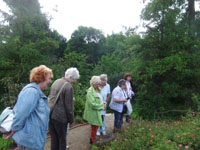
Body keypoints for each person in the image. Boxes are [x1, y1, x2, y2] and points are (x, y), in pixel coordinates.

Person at [3, 65, 53, 150]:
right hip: (29, 140)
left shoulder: (35, 91)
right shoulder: (32, 92)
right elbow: (21, 114)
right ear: (42, 78)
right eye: (49, 78)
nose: (50, 81)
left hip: (31, 139)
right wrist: (13, 129)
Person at [48, 67, 79, 150]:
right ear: (71, 77)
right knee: (62, 140)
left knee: (54, 138)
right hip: (61, 118)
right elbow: (68, 107)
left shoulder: (56, 81)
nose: (75, 81)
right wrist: (71, 120)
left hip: (51, 114)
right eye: (75, 79)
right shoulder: (68, 86)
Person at [83, 76, 106, 145]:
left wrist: (104, 103)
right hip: (94, 112)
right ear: (92, 83)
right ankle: (93, 140)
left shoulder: (98, 89)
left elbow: (102, 98)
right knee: (94, 126)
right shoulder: (90, 91)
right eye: (97, 84)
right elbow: (92, 104)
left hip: (100, 111)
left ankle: (93, 138)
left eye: (99, 84)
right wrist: (102, 106)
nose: (98, 85)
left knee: (97, 125)